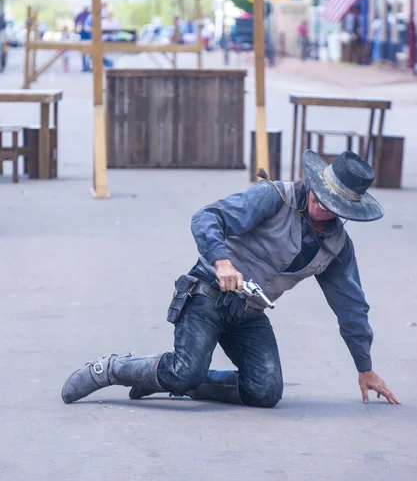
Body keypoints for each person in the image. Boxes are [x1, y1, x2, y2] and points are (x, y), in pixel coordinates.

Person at [61, 150, 399, 408]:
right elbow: (207, 217)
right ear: (314, 184)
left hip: (247, 313)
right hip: (206, 295)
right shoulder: (274, 197)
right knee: (184, 370)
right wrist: (222, 262)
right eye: (320, 197)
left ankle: (167, 379)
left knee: (266, 392)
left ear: (346, 210)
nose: (321, 207)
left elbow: (351, 307)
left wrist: (364, 366)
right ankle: (113, 368)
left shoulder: (338, 247)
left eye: (333, 205)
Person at [74, 7, 91, 72]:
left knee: (87, 52)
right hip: (85, 36)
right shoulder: (83, 15)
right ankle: (85, 66)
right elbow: (76, 23)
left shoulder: (88, 15)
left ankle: (86, 66)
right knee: (85, 52)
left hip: (88, 36)